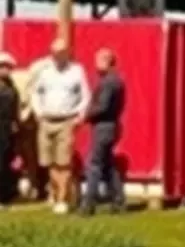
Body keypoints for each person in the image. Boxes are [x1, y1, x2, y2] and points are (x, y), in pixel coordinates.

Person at [30, 38, 90, 214]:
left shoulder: (77, 71)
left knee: (63, 162)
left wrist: (80, 115)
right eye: (54, 53)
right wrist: (38, 112)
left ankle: (62, 199)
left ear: (67, 53)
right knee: (49, 161)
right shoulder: (45, 71)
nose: (56, 56)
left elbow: (85, 96)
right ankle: (55, 194)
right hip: (46, 119)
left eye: (60, 53)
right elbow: (36, 93)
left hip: (66, 120)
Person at [79, 48, 126, 215]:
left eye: (98, 61)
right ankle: (118, 201)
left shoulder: (108, 82)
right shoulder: (117, 81)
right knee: (108, 165)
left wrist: (85, 116)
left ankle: (88, 203)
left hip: (103, 127)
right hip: (111, 126)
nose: (95, 65)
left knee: (94, 164)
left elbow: (103, 106)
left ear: (107, 61)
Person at [0, 53, 20, 208]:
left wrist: (15, 122)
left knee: (6, 161)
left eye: (8, 67)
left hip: (7, 129)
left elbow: (14, 107)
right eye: (2, 67)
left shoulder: (11, 86)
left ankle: (6, 195)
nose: (5, 70)